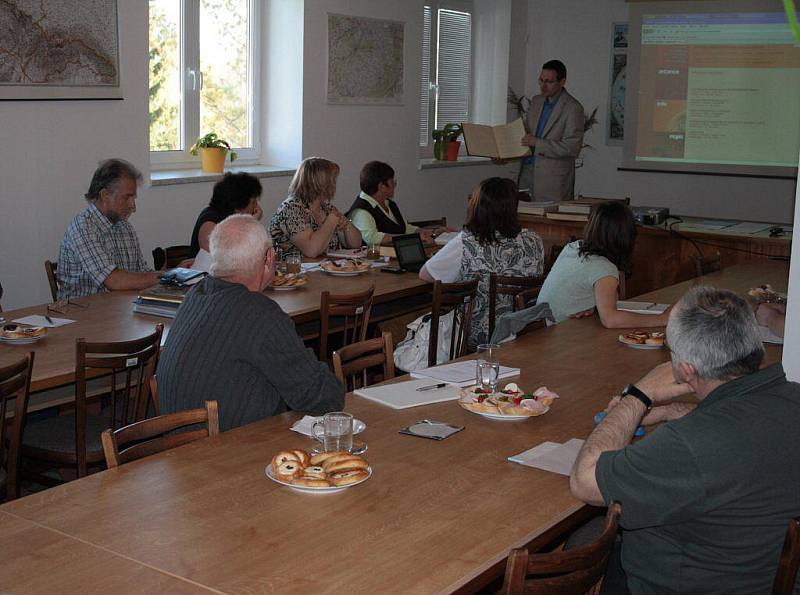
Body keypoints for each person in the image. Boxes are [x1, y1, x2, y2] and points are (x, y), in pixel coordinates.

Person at [570, 286, 800, 593]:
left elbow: (585, 482)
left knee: (578, 547)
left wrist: (639, 395)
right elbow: (736, 427)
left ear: (685, 370)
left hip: (680, 583)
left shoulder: (687, 446)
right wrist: (673, 411)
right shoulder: (790, 399)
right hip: (760, 574)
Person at [158, 214, 344, 432]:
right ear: (269, 258)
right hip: (227, 452)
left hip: (176, 451)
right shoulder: (260, 314)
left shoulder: (195, 295)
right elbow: (319, 397)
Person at [419, 177, 544, 347]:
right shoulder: (533, 240)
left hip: (481, 335)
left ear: (479, 207)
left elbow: (426, 274)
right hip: (526, 329)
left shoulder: (468, 242)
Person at [536, 201, 669, 327]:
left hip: (542, 330)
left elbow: (611, 302)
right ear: (626, 236)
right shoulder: (603, 268)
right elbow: (610, 320)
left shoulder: (573, 247)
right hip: (558, 335)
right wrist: (661, 319)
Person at [57, 159, 160, 300]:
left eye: (134, 198)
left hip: (118, 311)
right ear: (105, 195)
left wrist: (178, 273)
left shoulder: (125, 228)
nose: (133, 206)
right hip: (82, 316)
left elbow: (142, 274)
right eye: (127, 197)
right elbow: (114, 281)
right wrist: (169, 277)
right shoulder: (83, 228)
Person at [518, 59, 584, 202]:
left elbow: (571, 148)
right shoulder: (536, 101)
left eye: (549, 82)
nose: (543, 86)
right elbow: (525, 135)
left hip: (553, 180)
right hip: (527, 172)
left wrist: (538, 143)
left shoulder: (573, 108)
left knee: (548, 222)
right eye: (541, 80)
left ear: (562, 82)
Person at [269, 157, 362, 258]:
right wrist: (331, 221)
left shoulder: (326, 208)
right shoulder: (291, 208)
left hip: (327, 269)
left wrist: (347, 224)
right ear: (321, 184)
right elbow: (311, 251)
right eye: (332, 180)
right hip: (294, 271)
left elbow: (355, 245)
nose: (334, 184)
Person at [346, 161, 432, 246]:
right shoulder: (361, 211)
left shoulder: (389, 203)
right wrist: (410, 238)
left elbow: (403, 228)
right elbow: (371, 238)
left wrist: (421, 231)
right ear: (381, 186)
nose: (395, 185)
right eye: (392, 182)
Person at [189, 172, 263, 258]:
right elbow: (225, 260)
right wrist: (250, 223)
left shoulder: (231, 218)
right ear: (239, 204)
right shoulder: (210, 223)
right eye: (253, 202)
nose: (256, 206)